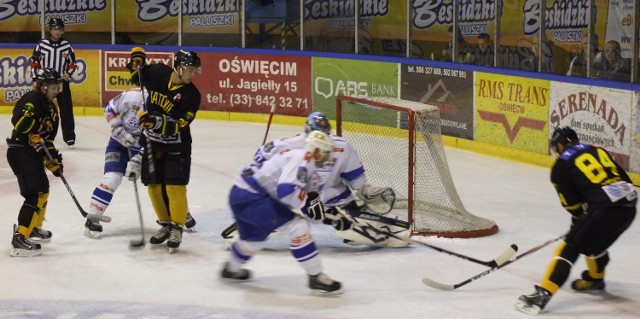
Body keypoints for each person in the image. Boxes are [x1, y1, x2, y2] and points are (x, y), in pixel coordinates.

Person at [221, 112, 408, 248]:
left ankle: (382, 232)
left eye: (325, 134)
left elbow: (357, 183)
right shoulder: (288, 146)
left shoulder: (342, 147)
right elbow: (260, 161)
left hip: (334, 198)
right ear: (306, 133)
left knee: (353, 232)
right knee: (275, 218)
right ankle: (245, 232)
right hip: (295, 196)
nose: (322, 141)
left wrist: (366, 190)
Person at [515, 126, 637, 315]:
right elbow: (625, 180)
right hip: (628, 206)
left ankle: (542, 294)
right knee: (594, 242)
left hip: (603, 208)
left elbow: (572, 205)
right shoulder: (598, 150)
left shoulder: (561, 166)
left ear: (560, 145)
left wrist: (581, 218)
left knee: (569, 248)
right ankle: (595, 279)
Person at [221, 130, 343, 294]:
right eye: (326, 153)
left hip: (240, 194)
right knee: (298, 226)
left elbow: (311, 207)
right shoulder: (304, 159)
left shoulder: (306, 165)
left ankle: (231, 269)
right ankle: (316, 276)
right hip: (254, 197)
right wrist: (309, 203)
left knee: (254, 240)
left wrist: (331, 218)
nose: (329, 158)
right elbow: (286, 191)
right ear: (316, 151)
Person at [130, 49, 202, 252]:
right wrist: (137, 62)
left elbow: (179, 123)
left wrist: (155, 120)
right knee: (153, 185)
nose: (194, 74)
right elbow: (138, 75)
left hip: (177, 146)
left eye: (196, 70)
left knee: (174, 186)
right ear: (178, 68)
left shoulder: (192, 95)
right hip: (153, 142)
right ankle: (165, 224)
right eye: (191, 70)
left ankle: (177, 227)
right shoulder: (158, 73)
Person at [6, 68, 64, 257]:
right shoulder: (33, 98)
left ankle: (32, 228)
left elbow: (47, 140)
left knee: (43, 191)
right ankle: (19, 237)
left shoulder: (53, 110)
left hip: (32, 154)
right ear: (43, 87)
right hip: (20, 151)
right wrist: (36, 128)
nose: (56, 90)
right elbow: (19, 123)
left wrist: (53, 160)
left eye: (58, 86)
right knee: (34, 194)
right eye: (53, 87)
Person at [29, 17, 78, 146]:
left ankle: (69, 136)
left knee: (66, 109)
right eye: (55, 28)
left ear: (63, 31)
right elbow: (34, 63)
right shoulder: (42, 44)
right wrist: (35, 79)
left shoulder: (66, 45)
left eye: (60, 29)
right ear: (49, 29)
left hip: (61, 82)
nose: (57, 31)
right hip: (44, 82)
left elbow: (73, 64)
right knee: (41, 108)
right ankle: (38, 132)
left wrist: (69, 73)